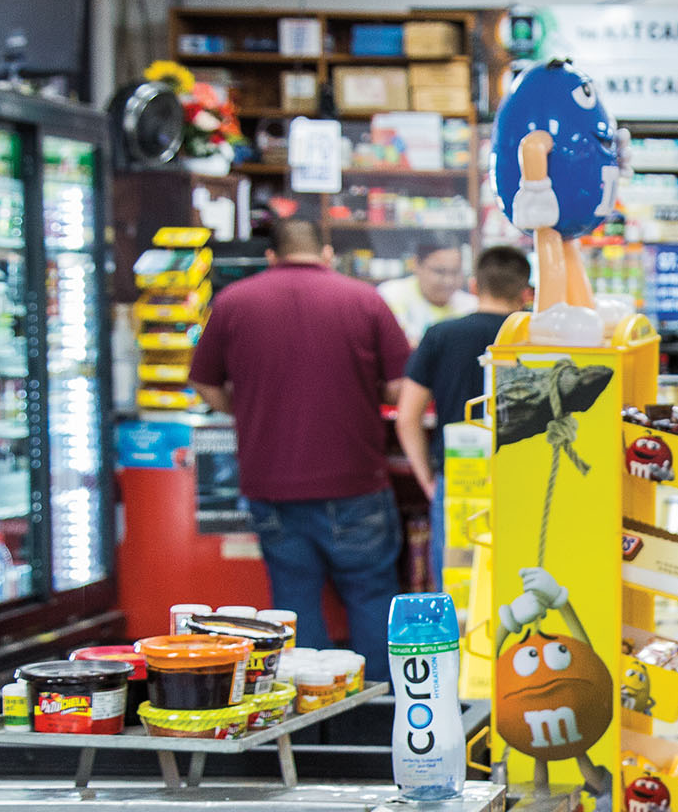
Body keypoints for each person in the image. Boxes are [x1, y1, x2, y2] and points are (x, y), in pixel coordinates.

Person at [191, 217, 412, 680]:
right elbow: (398, 389)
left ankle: (310, 726)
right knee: (372, 596)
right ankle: (380, 711)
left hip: (269, 483)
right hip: (355, 480)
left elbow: (205, 383)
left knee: (292, 603)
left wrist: (247, 408)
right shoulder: (364, 299)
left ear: (271, 256)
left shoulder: (233, 303)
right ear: (326, 253)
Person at [396, 244, 531, 574]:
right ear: (526, 293)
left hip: (460, 479)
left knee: (459, 587)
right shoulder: (537, 339)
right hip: (524, 479)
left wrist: (429, 481)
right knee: (520, 584)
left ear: (474, 287)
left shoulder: (441, 335)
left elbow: (407, 417)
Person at [377, 241, 475, 346]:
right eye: (440, 271)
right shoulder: (391, 295)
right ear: (416, 264)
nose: (449, 281)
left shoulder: (471, 306)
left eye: (455, 272)